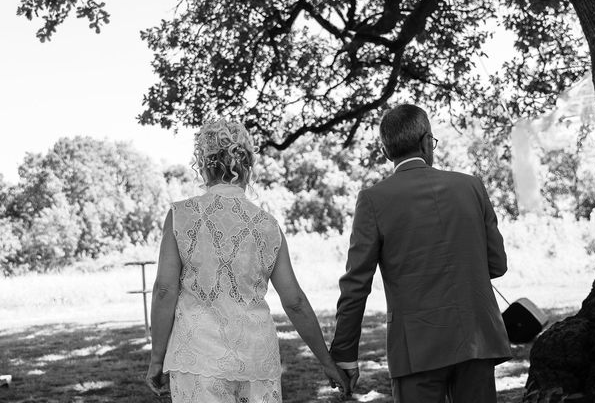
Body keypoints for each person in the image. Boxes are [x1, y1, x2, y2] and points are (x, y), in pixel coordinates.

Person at [145, 118, 349, 402]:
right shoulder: (267, 225)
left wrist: (157, 358)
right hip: (256, 358)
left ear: (203, 164)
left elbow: (165, 290)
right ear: (247, 166)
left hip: (197, 359)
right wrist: (327, 362)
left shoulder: (181, 215)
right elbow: (295, 302)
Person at [330, 103, 512, 403]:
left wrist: (345, 352)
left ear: (387, 152)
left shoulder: (373, 200)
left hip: (416, 346)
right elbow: (497, 264)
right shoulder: (471, 186)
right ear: (427, 142)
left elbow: (356, 284)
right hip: (476, 337)